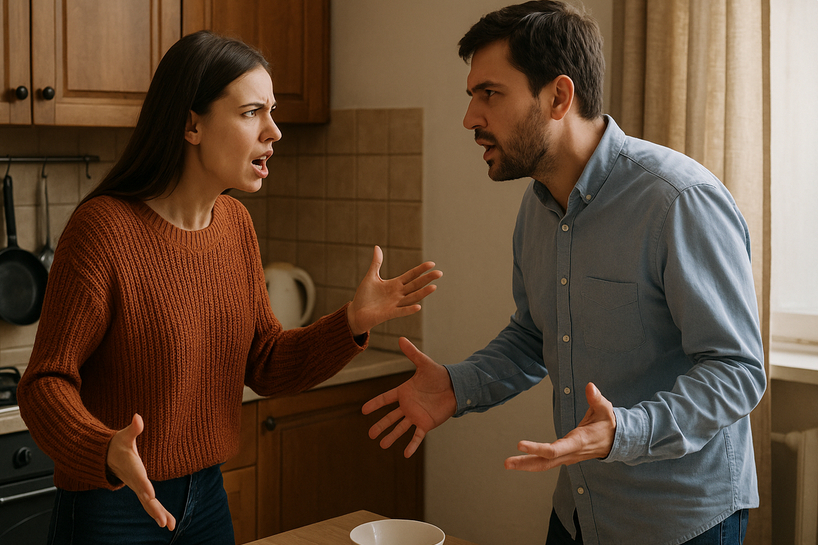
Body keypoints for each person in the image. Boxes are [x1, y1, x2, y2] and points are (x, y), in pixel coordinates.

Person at [362, 2, 766, 544]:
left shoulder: (678, 200)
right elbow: (535, 337)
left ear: (558, 96)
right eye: (471, 96)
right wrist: (459, 387)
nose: (470, 118)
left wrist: (626, 430)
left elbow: (737, 370)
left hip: (679, 522)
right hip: (578, 513)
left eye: (490, 94)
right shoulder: (537, 206)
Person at [17, 30, 441, 545]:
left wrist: (350, 322)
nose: (274, 131)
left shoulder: (234, 225)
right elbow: (44, 382)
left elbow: (264, 361)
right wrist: (103, 447)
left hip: (207, 500)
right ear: (192, 124)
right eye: (251, 112)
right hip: (113, 505)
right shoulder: (103, 230)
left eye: (273, 111)